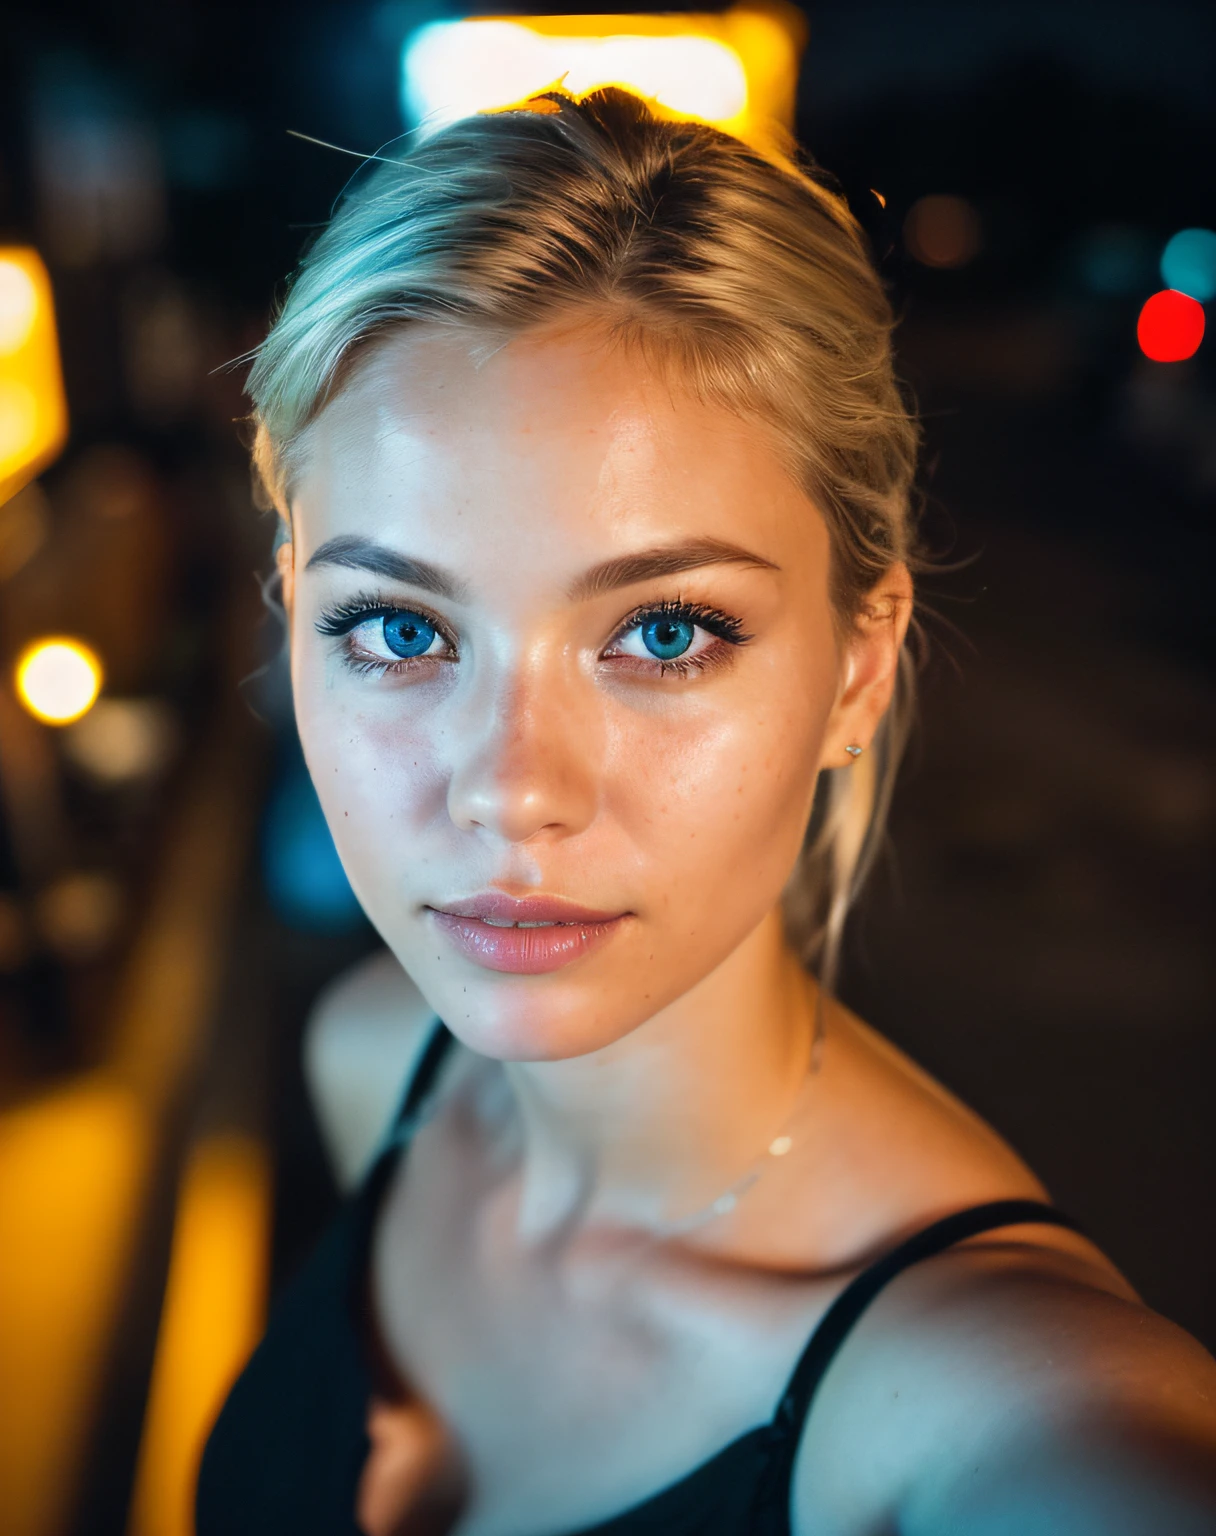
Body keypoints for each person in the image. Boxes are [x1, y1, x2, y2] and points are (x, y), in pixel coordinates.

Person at [197, 88, 1216, 1535]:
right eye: (401, 631)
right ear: (293, 616)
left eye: (667, 632)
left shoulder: (1002, 1415)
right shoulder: (375, 1064)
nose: (511, 790)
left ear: (860, 665)